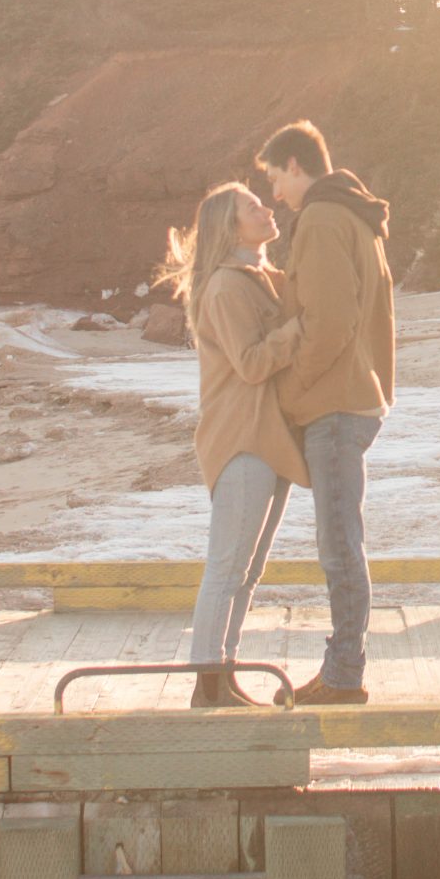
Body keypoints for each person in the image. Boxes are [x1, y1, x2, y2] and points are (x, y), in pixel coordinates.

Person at [256, 119, 394, 706]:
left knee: (339, 545)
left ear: (294, 165)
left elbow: (330, 322)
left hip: (335, 401)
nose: (273, 196)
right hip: (356, 394)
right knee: (343, 540)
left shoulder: (320, 218)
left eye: (273, 179)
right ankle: (343, 669)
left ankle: (343, 675)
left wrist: (293, 391)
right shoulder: (355, 217)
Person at [156, 180, 307, 709]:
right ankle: (208, 684)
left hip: (269, 439)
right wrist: (301, 327)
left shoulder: (264, 278)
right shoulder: (225, 286)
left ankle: (225, 673)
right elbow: (252, 362)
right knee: (227, 568)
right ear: (231, 225)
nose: (267, 209)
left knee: (247, 571)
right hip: (241, 441)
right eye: (253, 207)